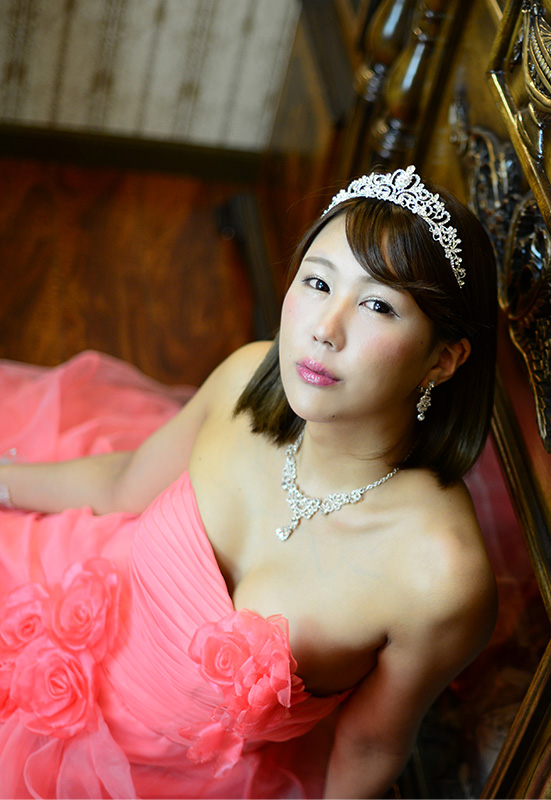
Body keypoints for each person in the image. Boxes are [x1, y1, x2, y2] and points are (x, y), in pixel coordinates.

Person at [0, 165, 499, 799]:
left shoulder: (439, 576)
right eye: (318, 282)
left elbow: (370, 744)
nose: (324, 329)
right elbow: (126, 484)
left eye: (377, 305)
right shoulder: (244, 380)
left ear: (442, 359)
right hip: (63, 628)